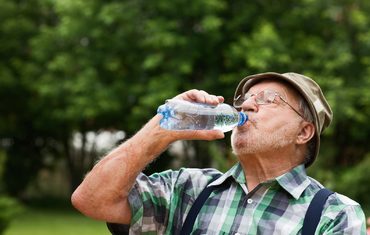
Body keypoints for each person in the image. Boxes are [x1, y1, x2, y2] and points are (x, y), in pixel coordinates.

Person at [71, 72, 367, 234]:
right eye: (246, 99)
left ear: (303, 132)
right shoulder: (186, 189)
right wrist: (161, 129)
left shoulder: (334, 215)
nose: (247, 106)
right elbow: (92, 200)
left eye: (268, 100)